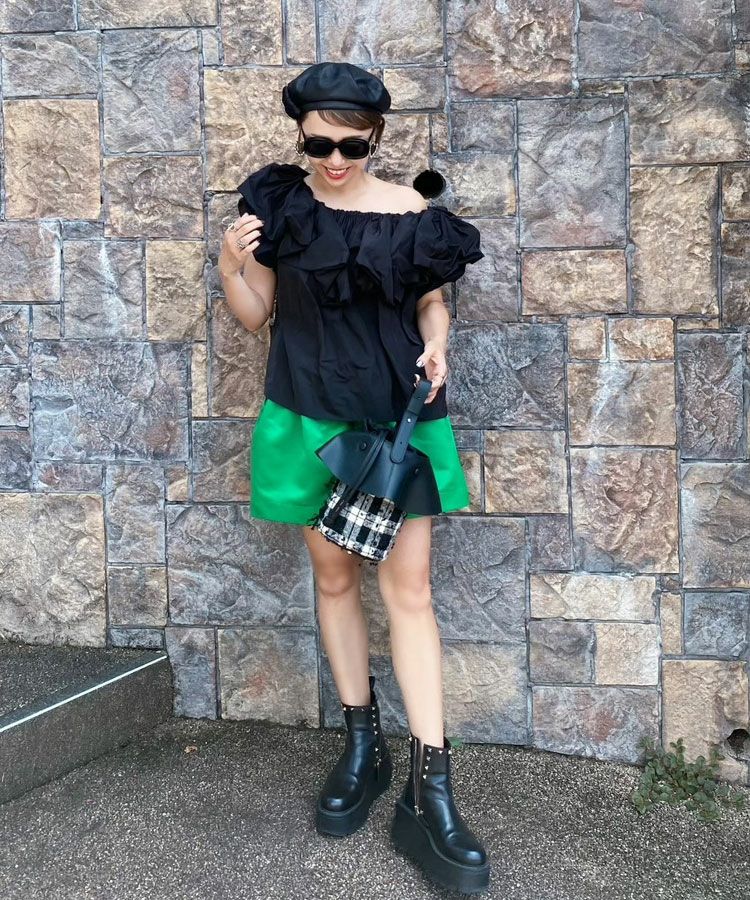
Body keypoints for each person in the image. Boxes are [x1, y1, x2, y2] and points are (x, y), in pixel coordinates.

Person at [218, 61, 490, 895]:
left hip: (395, 424)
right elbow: (257, 315)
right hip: (306, 416)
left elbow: (429, 302)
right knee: (334, 580)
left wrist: (438, 340)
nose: (334, 161)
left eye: (351, 146)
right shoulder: (281, 208)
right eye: (318, 145)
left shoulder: (411, 214)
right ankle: (362, 747)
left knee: (410, 593)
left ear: (376, 137)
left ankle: (431, 787)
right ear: (300, 137)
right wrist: (229, 265)